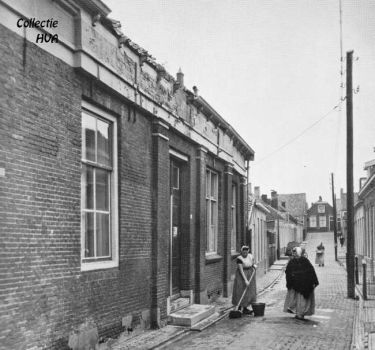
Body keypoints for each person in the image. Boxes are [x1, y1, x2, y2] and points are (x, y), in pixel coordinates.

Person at [283, 246, 319, 320]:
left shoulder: (304, 261)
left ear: (298, 253)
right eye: (293, 253)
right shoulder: (293, 261)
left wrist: (312, 282)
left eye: (295, 253)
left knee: (301, 300)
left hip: (304, 285)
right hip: (296, 285)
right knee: (296, 300)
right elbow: (288, 272)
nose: (294, 255)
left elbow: (310, 271)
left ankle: (300, 314)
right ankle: (298, 313)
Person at [232, 245, 257, 315]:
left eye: (246, 252)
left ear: (248, 252)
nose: (245, 254)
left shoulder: (250, 256)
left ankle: (245, 308)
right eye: (243, 252)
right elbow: (241, 270)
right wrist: (245, 280)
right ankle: (239, 307)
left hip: (250, 274)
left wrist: (254, 266)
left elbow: (253, 264)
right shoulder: (239, 259)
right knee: (240, 290)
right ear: (241, 252)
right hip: (241, 275)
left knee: (248, 291)